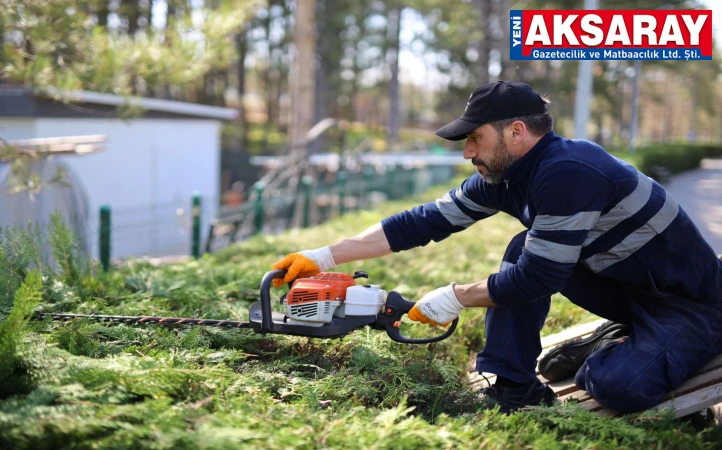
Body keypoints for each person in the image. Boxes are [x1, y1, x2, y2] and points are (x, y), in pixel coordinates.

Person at [271, 81, 722, 414]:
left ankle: (617, 346)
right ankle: (514, 383)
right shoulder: (504, 175)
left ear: (516, 132)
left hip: (692, 305)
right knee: (525, 245)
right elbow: (422, 222)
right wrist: (323, 257)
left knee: (615, 386)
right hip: (629, 288)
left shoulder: (570, 171)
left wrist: (454, 297)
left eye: (474, 138)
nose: (467, 152)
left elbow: (539, 278)